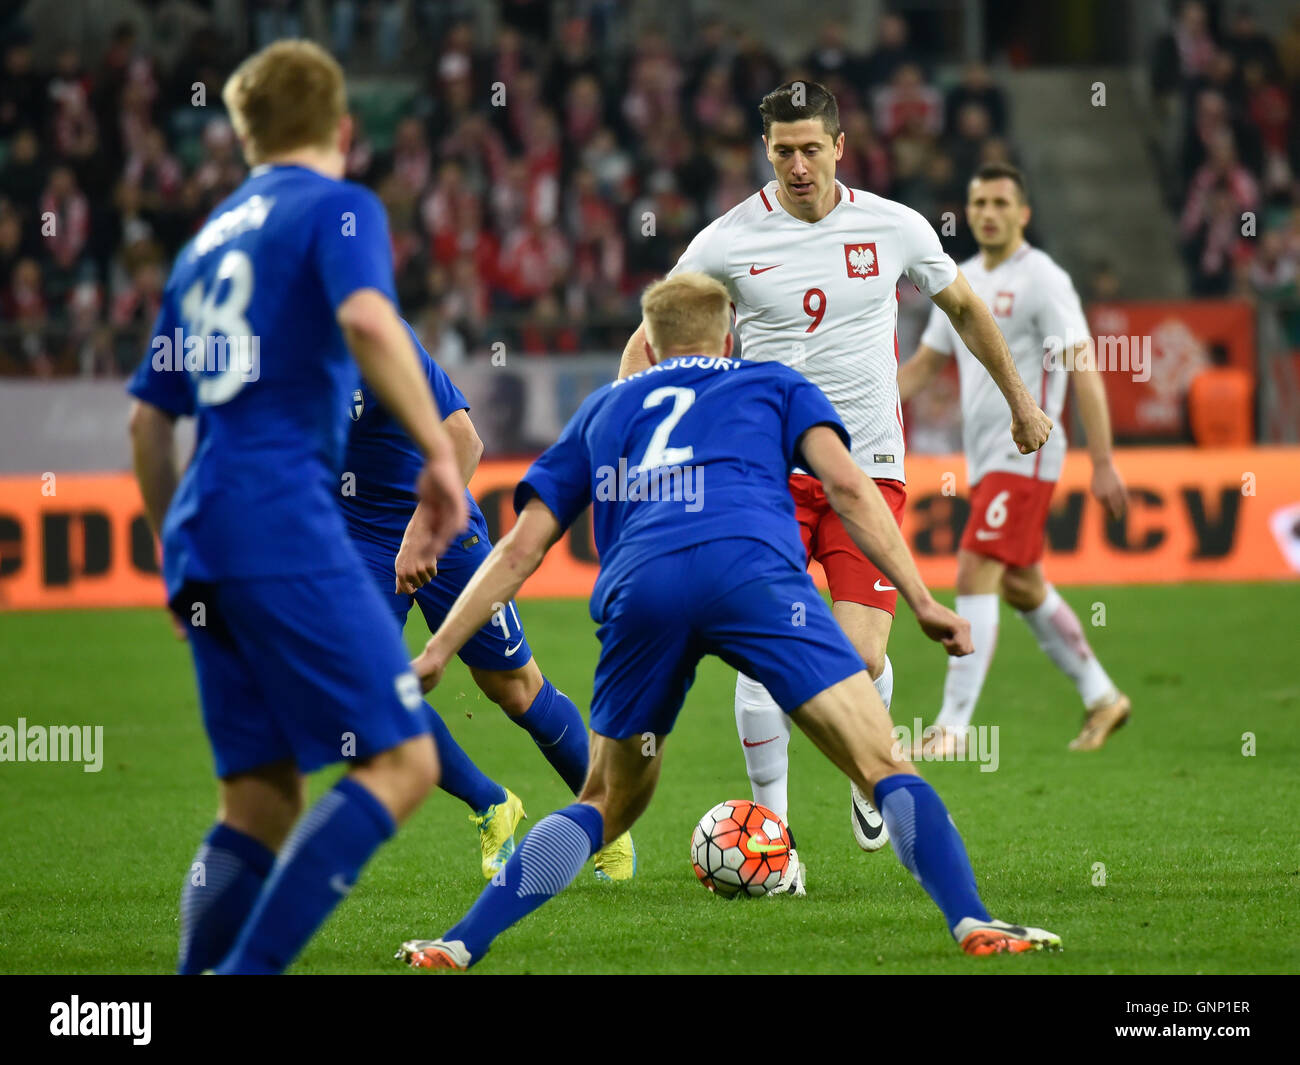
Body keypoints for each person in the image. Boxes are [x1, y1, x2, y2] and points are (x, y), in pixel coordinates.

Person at [395, 273, 1062, 969]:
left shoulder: (607, 406)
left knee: (603, 800)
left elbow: (521, 546)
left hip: (643, 588)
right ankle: (973, 920)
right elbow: (847, 486)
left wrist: (440, 650)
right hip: (755, 577)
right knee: (881, 760)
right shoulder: (773, 384)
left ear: (647, 344)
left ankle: (458, 942)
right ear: (730, 335)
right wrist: (921, 598)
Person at [617, 81, 1051, 892]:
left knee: (861, 652)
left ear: (841, 146)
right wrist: (634, 438)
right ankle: (771, 832)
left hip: (866, 473)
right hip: (761, 477)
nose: (797, 164)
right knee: (761, 653)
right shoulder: (728, 239)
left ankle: (865, 773)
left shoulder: (895, 226)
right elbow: (649, 334)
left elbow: (962, 308)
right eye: (781, 150)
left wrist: (1022, 401)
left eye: (810, 147)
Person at [126, 40, 467, 975]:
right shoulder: (341, 207)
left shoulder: (202, 245)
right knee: (402, 765)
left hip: (205, 535)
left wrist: (174, 559)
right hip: (285, 518)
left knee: (261, 800)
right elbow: (366, 320)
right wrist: (439, 455)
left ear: (243, 138)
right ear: (344, 130)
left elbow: (148, 430)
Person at [341, 319, 635, 879]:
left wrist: (421, 531)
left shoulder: (376, 334)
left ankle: (608, 821)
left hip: (438, 521)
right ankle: (492, 804)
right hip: (357, 540)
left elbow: (464, 441)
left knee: (512, 688)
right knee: (362, 694)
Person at [898, 162, 1130, 752]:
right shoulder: (960, 278)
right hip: (988, 461)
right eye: (979, 203)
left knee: (975, 563)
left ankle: (952, 727)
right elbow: (925, 367)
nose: (989, 213)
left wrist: (1102, 461)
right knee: (1023, 586)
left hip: (1027, 455)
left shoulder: (1044, 280)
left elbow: (1083, 367)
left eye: (1002, 203)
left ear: (1023, 213)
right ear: (969, 211)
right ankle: (1104, 698)